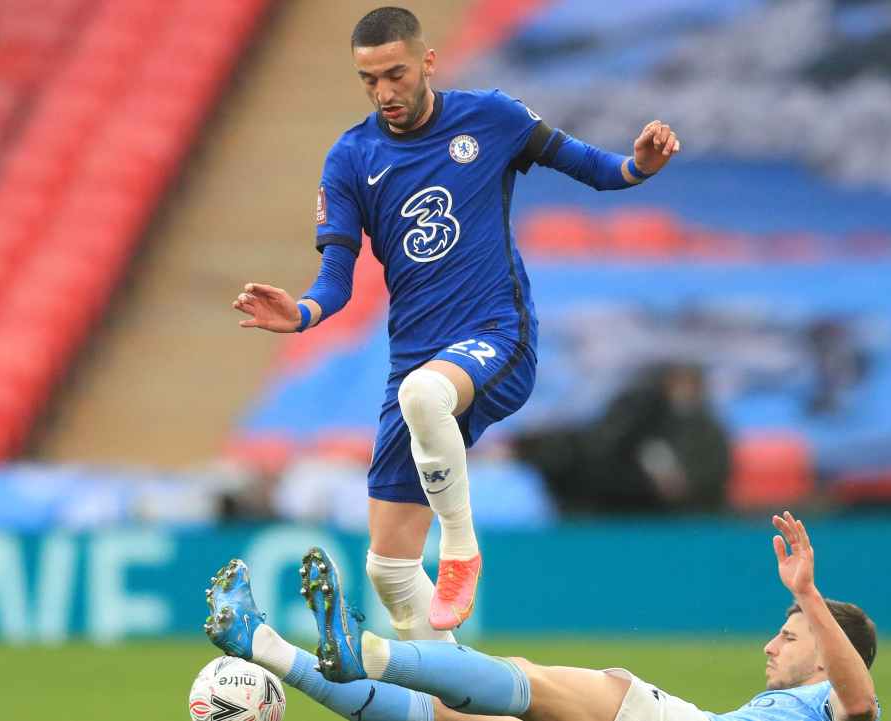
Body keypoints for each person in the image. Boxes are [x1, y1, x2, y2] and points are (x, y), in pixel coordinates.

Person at [231, 6, 681, 634]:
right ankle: (457, 691)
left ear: (428, 62)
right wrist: (303, 312)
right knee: (387, 570)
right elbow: (337, 274)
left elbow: (595, 169)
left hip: (498, 336)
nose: (384, 92)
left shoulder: (491, 117)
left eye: (395, 74)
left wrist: (638, 167)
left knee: (424, 394)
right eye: (369, 80)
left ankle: (461, 551)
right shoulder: (351, 157)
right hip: (413, 360)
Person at [204, 510, 880, 721]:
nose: (770, 645)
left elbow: (864, 704)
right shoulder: (781, 705)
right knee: (454, 716)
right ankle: (261, 644)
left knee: (527, 677)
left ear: (826, 654)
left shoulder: (830, 699)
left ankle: (371, 652)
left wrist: (812, 599)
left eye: (789, 635)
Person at [515, 362, 731, 513]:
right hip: (626, 512)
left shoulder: (708, 431)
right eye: (675, 383)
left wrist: (684, 485)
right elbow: (602, 448)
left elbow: (711, 477)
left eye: (687, 384)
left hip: (689, 521)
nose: (680, 391)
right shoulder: (642, 418)